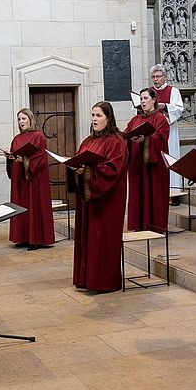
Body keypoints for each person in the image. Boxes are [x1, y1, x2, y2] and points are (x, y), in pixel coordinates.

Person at [71, 101, 128, 293]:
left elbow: (112, 170)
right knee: (88, 238)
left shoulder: (116, 142)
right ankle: (86, 278)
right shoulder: (88, 141)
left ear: (109, 118)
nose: (94, 119)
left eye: (98, 116)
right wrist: (76, 169)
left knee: (102, 239)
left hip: (107, 202)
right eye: (93, 115)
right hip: (89, 200)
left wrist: (87, 171)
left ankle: (104, 282)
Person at [6, 108, 55, 250]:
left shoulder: (38, 136)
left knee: (34, 205)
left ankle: (36, 239)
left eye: (23, 118)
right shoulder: (16, 138)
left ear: (30, 119)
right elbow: (15, 155)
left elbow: (40, 157)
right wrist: (10, 158)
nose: (21, 122)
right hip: (20, 180)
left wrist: (25, 161)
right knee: (21, 206)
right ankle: (22, 237)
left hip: (34, 179)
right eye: (19, 119)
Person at [126, 88, 170, 232]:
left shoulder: (160, 118)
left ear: (154, 100)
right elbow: (126, 134)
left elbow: (162, 139)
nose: (143, 101)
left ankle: (155, 226)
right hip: (136, 164)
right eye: (141, 99)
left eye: (145, 98)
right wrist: (127, 137)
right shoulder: (135, 119)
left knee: (154, 193)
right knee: (138, 193)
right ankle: (139, 225)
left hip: (154, 167)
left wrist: (146, 139)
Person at [150, 64, 185, 195]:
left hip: (169, 130)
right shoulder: (148, 92)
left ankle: (174, 192)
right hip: (152, 132)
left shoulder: (173, 91)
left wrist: (164, 106)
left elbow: (179, 109)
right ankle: (156, 191)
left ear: (164, 77)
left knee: (171, 157)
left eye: (158, 76)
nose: (155, 79)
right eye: (153, 77)